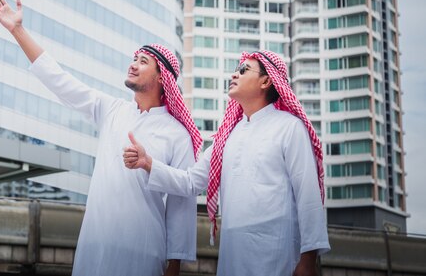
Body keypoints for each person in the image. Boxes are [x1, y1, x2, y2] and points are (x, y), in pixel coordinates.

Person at [0, 0, 203, 276]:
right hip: (93, 247)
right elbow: (59, 80)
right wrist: (18, 30)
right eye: (134, 58)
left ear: (162, 77)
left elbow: (181, 205)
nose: (133, 63)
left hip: (142, 251)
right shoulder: (111, 109)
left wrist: (173, 266)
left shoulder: (177, 134)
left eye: (142, 61)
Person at [124, 50, 330, 276]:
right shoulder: (227, 137)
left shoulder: (290, 128)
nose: (234, 75)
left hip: (277, 252)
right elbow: (191, 182)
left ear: (266, 80)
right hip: (233, 254)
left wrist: (308, 258)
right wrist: (148, 163)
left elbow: (308, 194)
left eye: (243, 70)